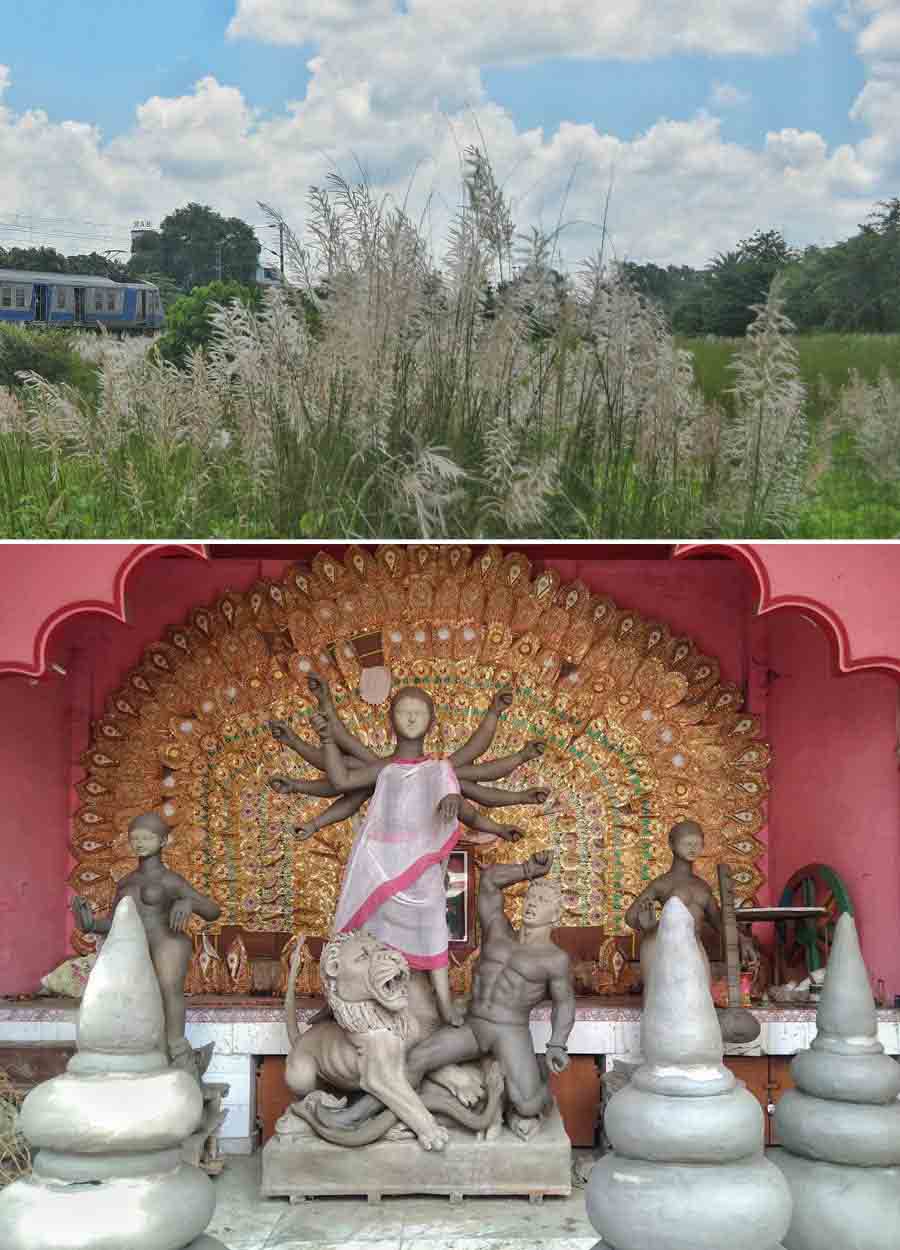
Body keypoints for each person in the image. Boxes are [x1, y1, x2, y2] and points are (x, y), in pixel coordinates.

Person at [316, 850, 575, 1141]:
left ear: (555, 915)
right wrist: (527, 870)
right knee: (416, 1058)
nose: (533, 904)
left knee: (527, 1105)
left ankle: (534, 1083)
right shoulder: (498, 931)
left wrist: (557, 1044)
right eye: (531, 897)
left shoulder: (555, 959)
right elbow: (489, 881)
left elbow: (564, 1003)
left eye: (542, 901)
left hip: (510, 1030)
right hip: (474, 1026)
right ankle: (358, 1115)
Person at [313, 681, 531, 1027]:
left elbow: (459, 800)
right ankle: (341, 995)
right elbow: (341, 781)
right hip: (380, 863)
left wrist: (490, 823)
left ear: (431, 721)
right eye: (403, 711)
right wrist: (326, 738)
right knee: (365, 928)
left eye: (419, 712)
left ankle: (444, 1001)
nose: (411, 717)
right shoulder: (385, 768)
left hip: (421, 862)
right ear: (391, 720)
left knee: (433, 920)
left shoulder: (439, 769)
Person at [71, 811, 221, 1072]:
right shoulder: (126, 882)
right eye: (135, 838)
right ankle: (149, 1051)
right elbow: (115, 921)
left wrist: (188, 902)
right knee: (134, 996)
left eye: (147, 838)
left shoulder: (170, 879)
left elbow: (213, 911)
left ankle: (177, 1051)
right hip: (136, 945)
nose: (139, 843)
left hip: (168, 940)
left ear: (163, 841)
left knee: (168, 990)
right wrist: (91, 924)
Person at [624, 819, 721, 986]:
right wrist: (649, 927)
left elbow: (719, 923)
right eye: (687, 843)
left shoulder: (703, 886)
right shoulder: (663, 883)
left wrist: (742, 940)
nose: (692, 847)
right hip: (665, 948)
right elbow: (630, 916)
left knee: (700, 995)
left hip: (695, 947)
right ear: (671, 844)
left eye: (697, 843)